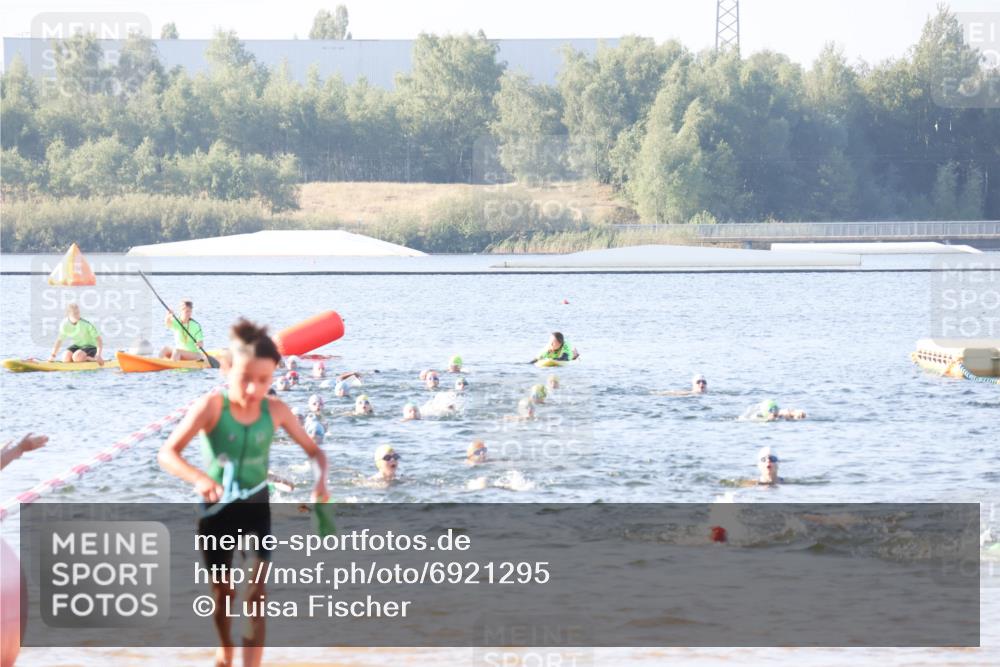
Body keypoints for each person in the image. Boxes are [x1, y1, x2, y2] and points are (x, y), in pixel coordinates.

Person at [158, 318, 328, 667]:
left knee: (255, 593)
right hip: (215, 512)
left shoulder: (276, 410)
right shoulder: (211, 407)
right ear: (227, 369)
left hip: (256, 508)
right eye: (246, 378)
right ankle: (224, 651)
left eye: (264, 380)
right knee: (222, 595)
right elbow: (168, 454)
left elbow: (315, 453)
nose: (254, 389)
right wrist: (199, 479)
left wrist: (320, 484)